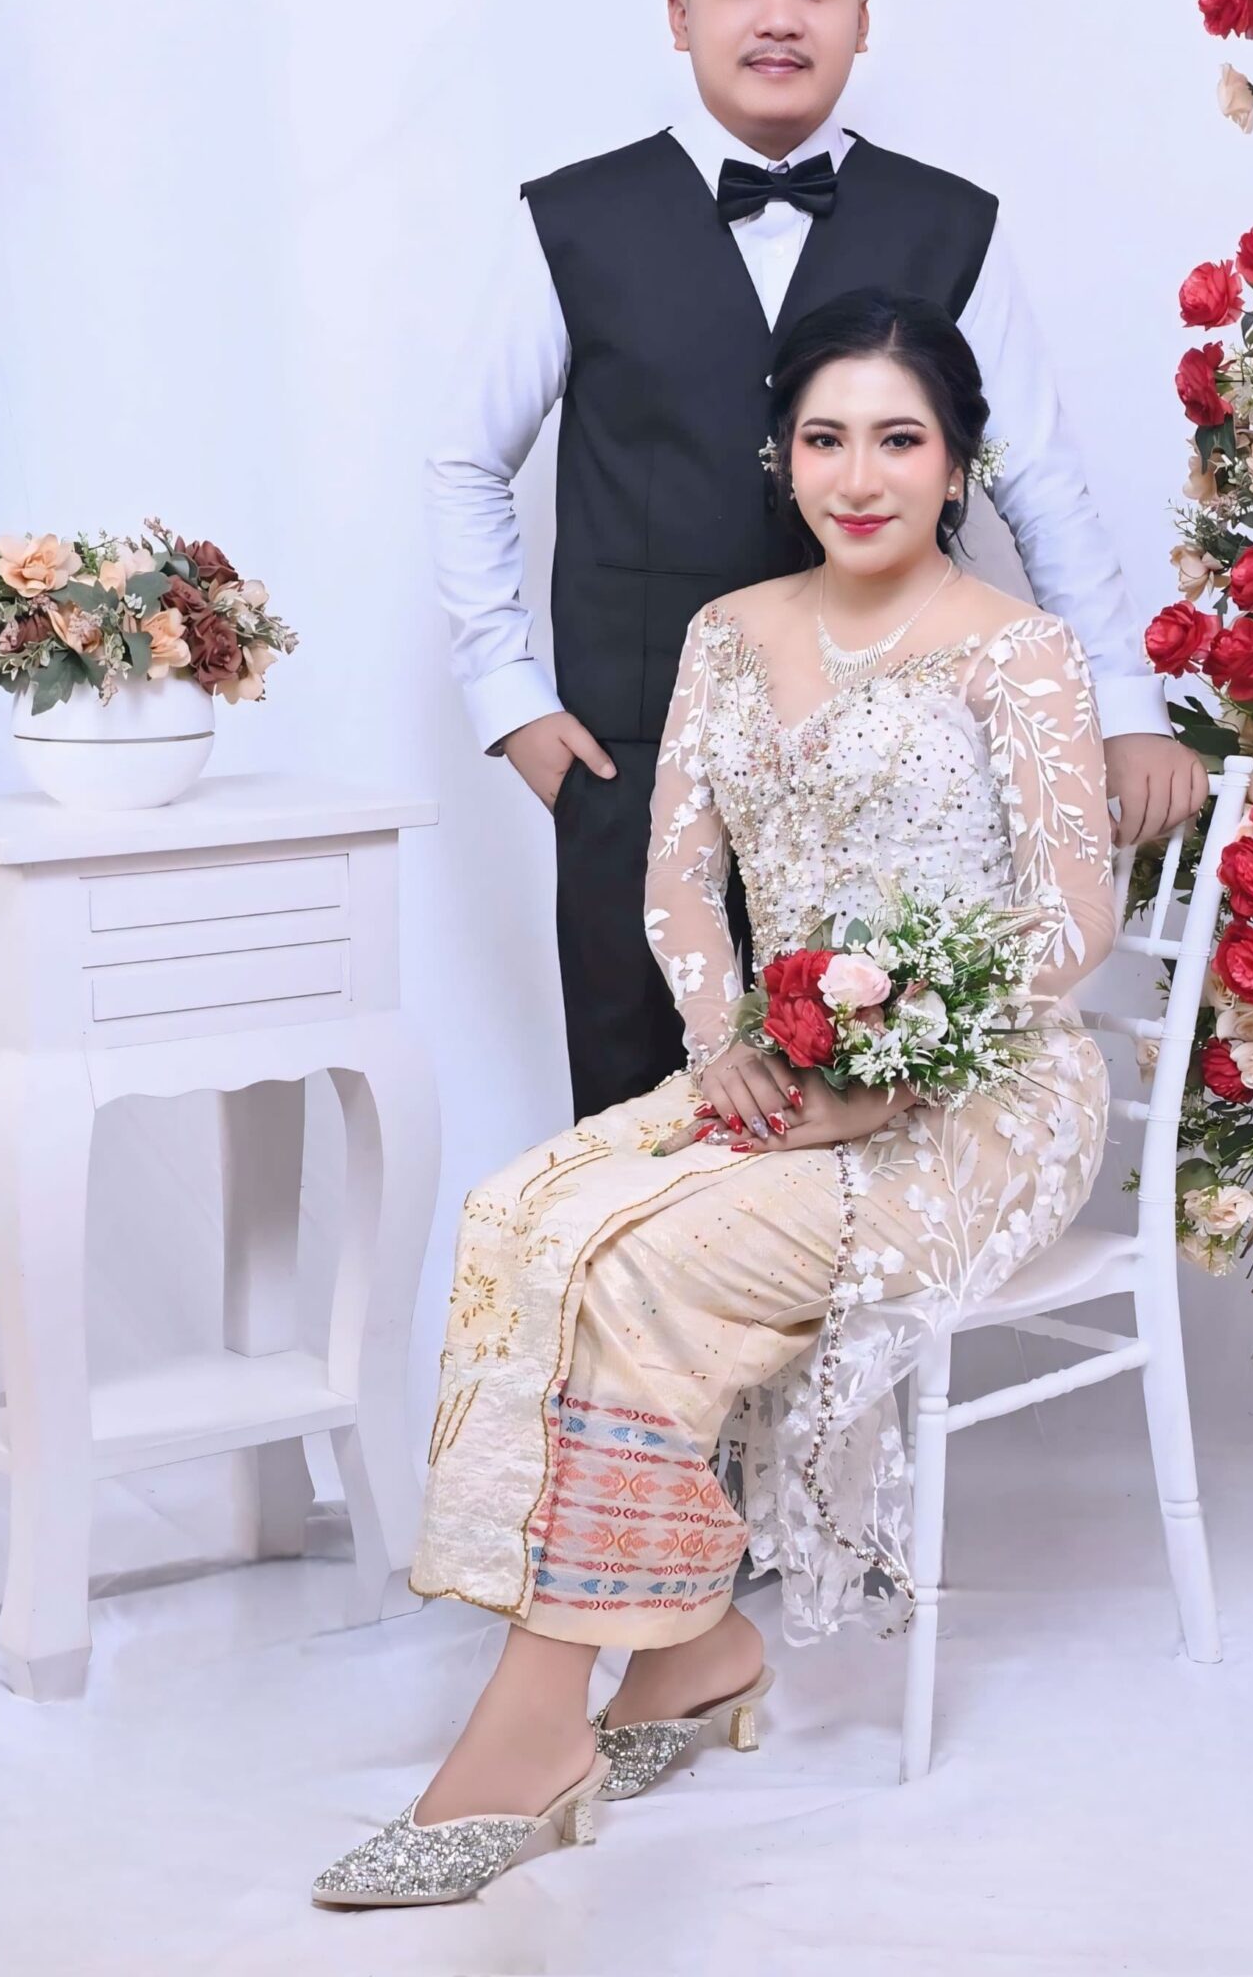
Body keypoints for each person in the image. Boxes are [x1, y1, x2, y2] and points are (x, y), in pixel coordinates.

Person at [314, 293, 1126, 1909]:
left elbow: (1072, 920)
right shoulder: (728, 631)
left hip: (985, 1097)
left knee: (641, 1264)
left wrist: (895, 1066)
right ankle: (690, 1647)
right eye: (825, 438)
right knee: (523, 1213)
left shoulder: (1017, 651)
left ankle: (532, 1727)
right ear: (780, 458)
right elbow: (682, 877)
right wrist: (727, 1039)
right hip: (779, 1064)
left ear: (957, 462)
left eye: (899, 439)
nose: (859, 475)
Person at [423, 0, 1203, 1121]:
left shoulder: (952, 224)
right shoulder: (570, 220)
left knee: (870, 1132)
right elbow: (465, 460)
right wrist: (511, 699)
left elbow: (1040, 478)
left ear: (861, 16)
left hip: (888, 790)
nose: (778, 16)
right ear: (681, 16)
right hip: (634, 767)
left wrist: (1124, 704)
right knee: (641, 1133)